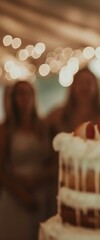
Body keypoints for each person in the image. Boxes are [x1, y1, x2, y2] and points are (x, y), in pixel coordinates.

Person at [0, 80, 56, 240]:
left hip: (41, 191)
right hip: (14, 193)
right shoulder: (5, 129)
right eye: (20, 93)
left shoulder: (45, 127)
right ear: (13, 99)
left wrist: (39, 179)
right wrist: (20, 193)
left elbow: (54, 163)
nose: (24, 98)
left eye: (28, 93)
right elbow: (1, 168)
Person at [46, 67, 100, 134]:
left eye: (88, 82)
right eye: (80, 82)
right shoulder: (56, 116)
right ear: (73, 87)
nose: (84, 87)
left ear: (96, 88)